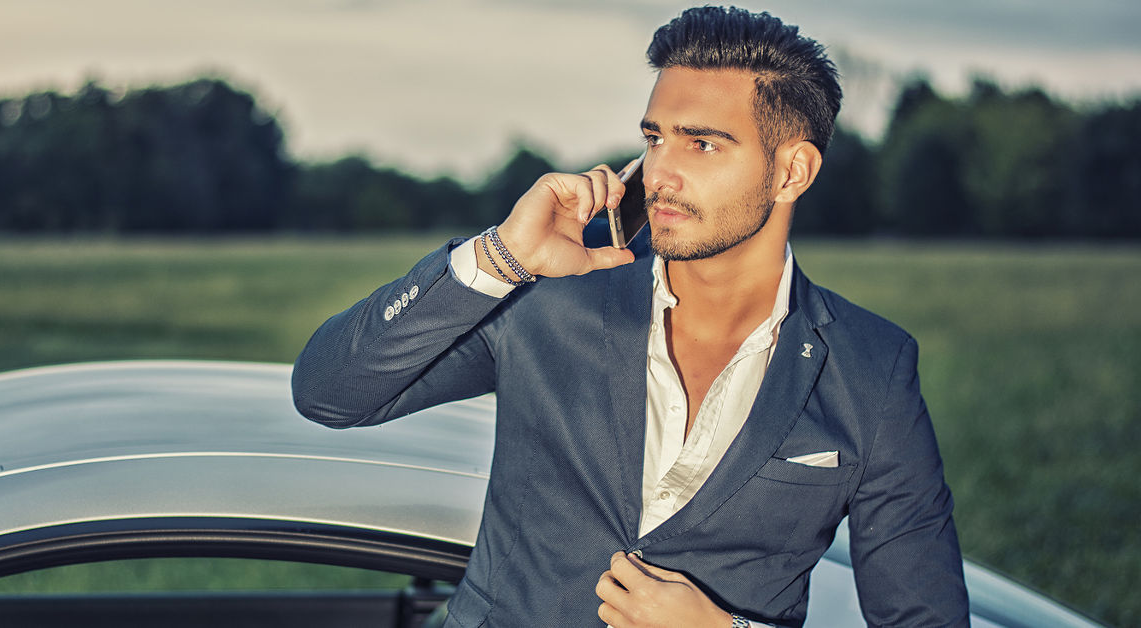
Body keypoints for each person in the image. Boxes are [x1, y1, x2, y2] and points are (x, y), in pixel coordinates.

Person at [292, 6, 969, 627]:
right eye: (655, 137)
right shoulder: (547, 298)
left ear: (793, 171)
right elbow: (328, 392)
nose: (661, 172)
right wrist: (501, 256)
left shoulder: (871, 369)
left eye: (702, 143)